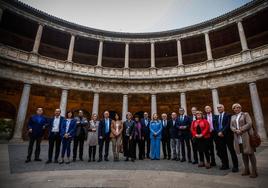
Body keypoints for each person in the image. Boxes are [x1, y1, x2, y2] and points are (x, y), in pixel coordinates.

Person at [230, 103, 257, 178]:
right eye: (235, 108)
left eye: (238, 107)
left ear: (240, 108)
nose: (237, 108)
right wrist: (235, 130)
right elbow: (231, 126)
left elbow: (249, 123)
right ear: (233, 109)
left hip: (246, 136)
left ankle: (254, 171)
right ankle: (246, 169)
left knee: (250, 153)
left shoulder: (245, 114)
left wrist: (241, 129)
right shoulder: (232, 117)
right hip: (238, 137)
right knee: (243, 154)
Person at [215, 104, 239, 172]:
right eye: (218, 108)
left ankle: (235, 166)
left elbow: (228, 124)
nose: (219, 109)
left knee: (231, 151)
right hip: (220, 136)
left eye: (220, 107)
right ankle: (225, 165)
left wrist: (222, 132)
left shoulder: (228, 115)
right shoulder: (217, 117)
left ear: (223, 108)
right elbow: (216, 126)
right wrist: (218, 132)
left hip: (228, 136)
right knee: (223, 151)